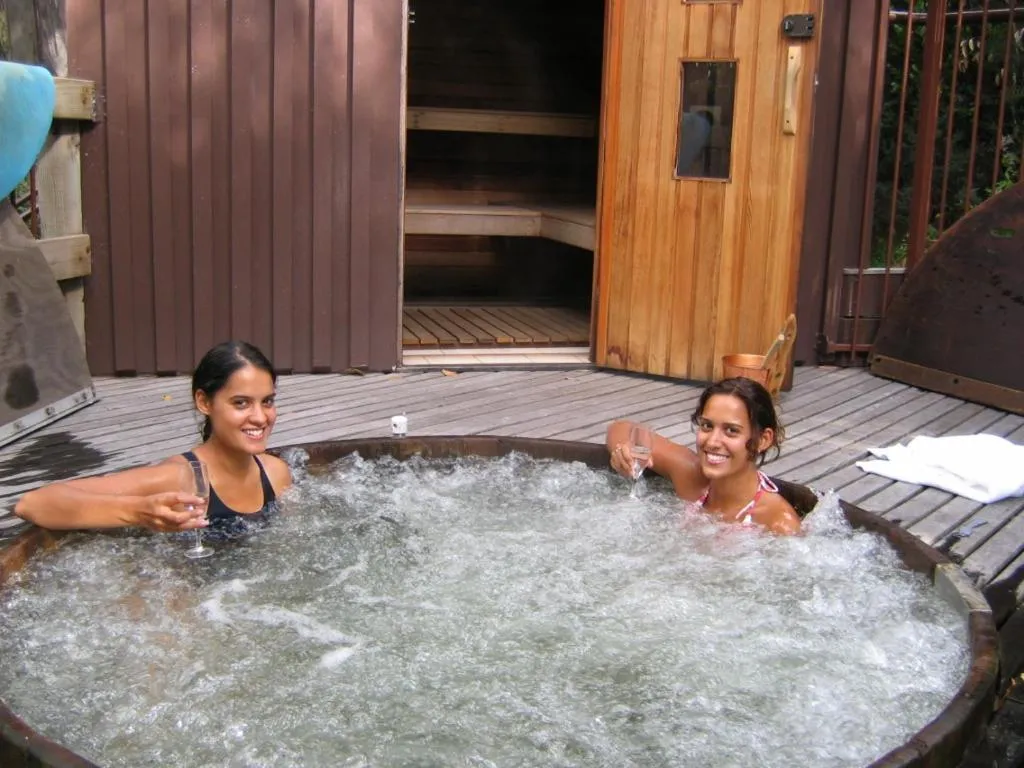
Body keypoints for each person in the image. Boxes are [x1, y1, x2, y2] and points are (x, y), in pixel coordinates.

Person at [14, 340, 292, 534]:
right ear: (204, 402)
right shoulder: (177, 478)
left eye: (267, 401)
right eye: (241, 403)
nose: (260, 417)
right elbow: (33, 504)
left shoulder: (276, 474)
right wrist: (139, 511)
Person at [606, 377, 801, 535]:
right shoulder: (690, 476)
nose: (713, 442)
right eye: (707, 426)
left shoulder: (778, 523)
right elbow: (622, 428)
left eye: (731, 430)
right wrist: (627, 451)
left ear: (763, 440)